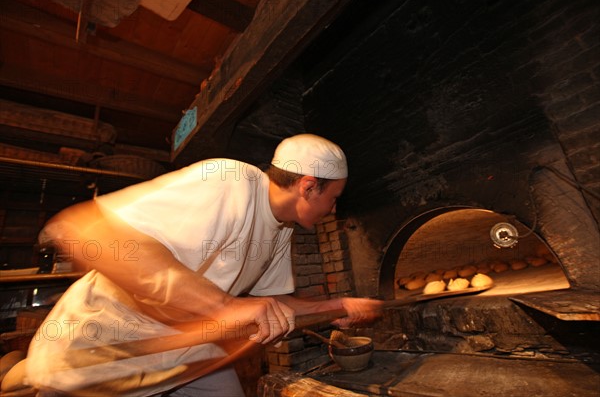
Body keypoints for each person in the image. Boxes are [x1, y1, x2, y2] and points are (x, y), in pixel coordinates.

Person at [26, 134, 382, 396]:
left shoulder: (282, 229)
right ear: (308, 187)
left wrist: (333, 306)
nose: (333, 210)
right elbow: (87, 231)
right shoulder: (232, 182)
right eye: (333, 198)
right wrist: (224, 306)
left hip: (183, 354)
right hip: (102, 350)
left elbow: (267, 305)